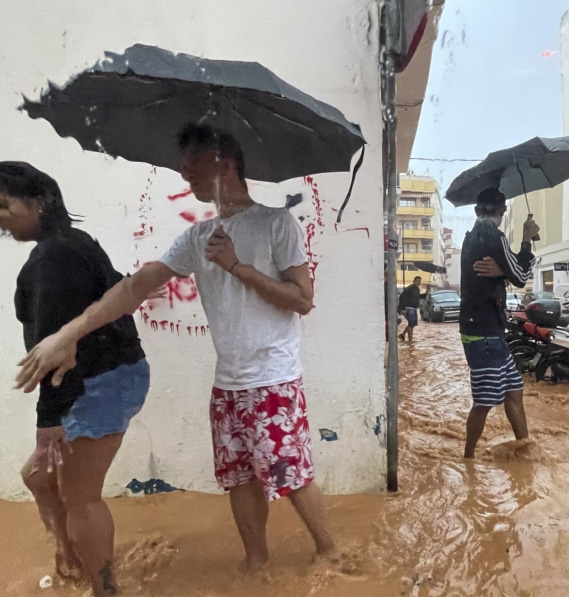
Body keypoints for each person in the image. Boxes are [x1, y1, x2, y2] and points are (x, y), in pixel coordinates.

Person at [16, 123, 337, 572]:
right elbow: (135, 288)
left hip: (274, 379)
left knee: (291, 476)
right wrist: (67, 334)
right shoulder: (196, 237)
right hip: (227, 384)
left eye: (192, 160)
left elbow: (302, 299)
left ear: (224, 162)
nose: (183, 170)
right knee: (240, 479)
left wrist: (237, 267)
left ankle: (331, 552)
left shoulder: (275, 223)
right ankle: (256, 563)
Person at [1, 162, 150, 597]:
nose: (1, 218)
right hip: (110, 375)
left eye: (5, 206)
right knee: (37, 476)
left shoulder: (55, 256)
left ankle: (106, 596)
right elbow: (114, 289)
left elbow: (52, 351)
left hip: (99, 383)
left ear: (41, 201)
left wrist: (48, 419)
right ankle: (71, 558)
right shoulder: (73, 244)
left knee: (80, 495)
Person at [459, 188, 539, 459]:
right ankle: (468, 459)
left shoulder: (470, 239)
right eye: (503, 211)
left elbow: (505, 273)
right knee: (484, 402)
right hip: (485, 334)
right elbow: (521, 275)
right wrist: (527, 240)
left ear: (475, 210)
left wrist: (502, 270)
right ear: (501, 212)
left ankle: (525, 447)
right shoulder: (495, 236)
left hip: (486, 331)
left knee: (515, 391)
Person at [398, 275, 422, 342]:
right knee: (411, 324)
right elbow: (402, 297)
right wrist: (403, 309)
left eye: (420, 281)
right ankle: (410, 341)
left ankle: (403, 335)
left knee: (412, 324)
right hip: (409, 309)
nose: (418, 282)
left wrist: (426, 293)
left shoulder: (417, 289)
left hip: (413, 309)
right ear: (414, 281)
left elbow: (419, 297)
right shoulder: (409, 288)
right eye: (417, 281)